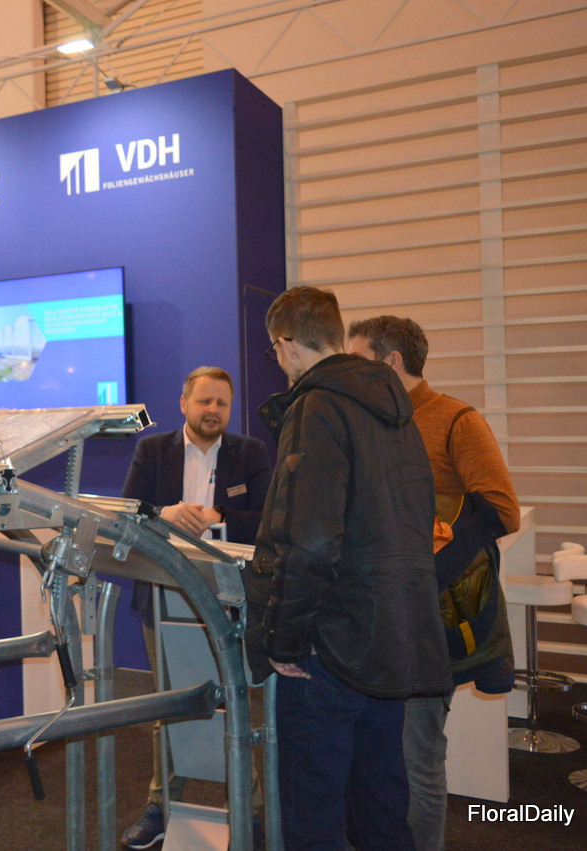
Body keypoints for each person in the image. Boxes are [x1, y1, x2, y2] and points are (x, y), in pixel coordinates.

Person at [247, 286, 452, 849]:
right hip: (388, 639)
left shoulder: (317, 405)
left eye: (275, 351)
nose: (279, 362)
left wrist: (283, 642)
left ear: (287, 343)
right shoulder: (396, 411)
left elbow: (309, 539)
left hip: (327, 647)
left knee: (312, 820)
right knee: (382, 810)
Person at [347, 315, 519, 850]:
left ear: (391, 362)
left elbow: (501, 509)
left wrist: (425, 570)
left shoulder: (455, 420)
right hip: (373, 618)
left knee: (417, 758)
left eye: (359, 361)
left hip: (427, 622)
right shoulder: (368, 422)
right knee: (377, 760)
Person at [119, 366, 272, 850]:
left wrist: (220, 515)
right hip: (163, 593)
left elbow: (269, 520)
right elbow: (127, 510)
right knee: (170, 704)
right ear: (184, 404)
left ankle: (249, 811)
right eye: (205, 401)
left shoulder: (250, 453)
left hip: (231, 599)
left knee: (236, 705)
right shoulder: (152, 450)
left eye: (222, 403)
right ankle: (160, 807)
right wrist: (163, 513)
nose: (213, 410)